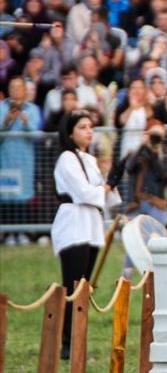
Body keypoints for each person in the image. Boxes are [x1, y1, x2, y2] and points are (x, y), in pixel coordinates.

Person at [51, 110, 115, 360]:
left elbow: (101, 193)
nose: (89, 131)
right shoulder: (67, 159)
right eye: (82, 127)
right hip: (73, 224)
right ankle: (68, 343)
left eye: (91, 127)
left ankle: (78, 340)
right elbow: (83, 192)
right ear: (70, 133)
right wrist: (106, 187)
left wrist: (113, 182)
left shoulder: (88, 159)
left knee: (85, 285)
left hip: (91, 224)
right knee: (74, 284)